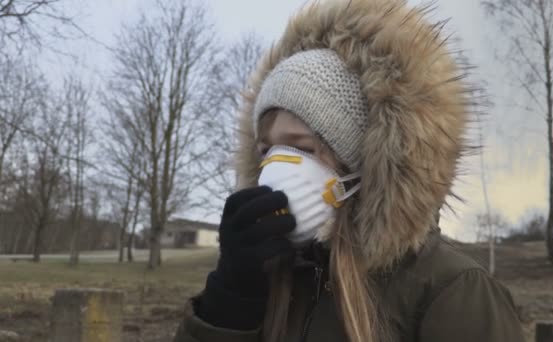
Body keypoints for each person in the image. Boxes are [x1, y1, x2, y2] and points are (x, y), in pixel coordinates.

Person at [174, 0, 526, 341]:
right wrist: (229, 304)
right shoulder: (271, 280)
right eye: (266, 151)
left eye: (301, 147)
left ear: (360, 162)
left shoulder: (451, 289)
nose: (275, 168)